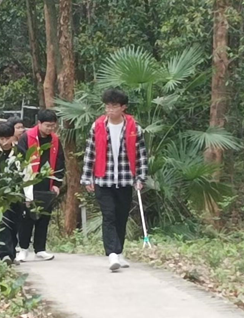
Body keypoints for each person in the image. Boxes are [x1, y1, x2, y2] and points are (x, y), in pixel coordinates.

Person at [81, 88, 148, 272]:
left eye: (114, 106)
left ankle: (119, 252)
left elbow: (141, 155)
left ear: (123, 107)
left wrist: (141, 177)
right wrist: (87, 177)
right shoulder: (98, 126)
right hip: (103, 179)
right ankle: (112, 254)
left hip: (125, 179)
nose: (109, 110)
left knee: (121, 216)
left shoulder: (134, 128)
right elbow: (90, 152)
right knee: (109, 215)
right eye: (107, 106)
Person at [17, 109, 65, 262]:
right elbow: (20, 160)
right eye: (47, 125)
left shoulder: (55, 140)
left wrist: (57, 183)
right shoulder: (27, 137)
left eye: (53, 126)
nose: (50, 129)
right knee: (27, 217)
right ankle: (23, 249)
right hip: (29, 183)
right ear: (39, 123)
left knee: (44, 217)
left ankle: (40, 249)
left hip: (47, 183)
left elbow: (60, 162)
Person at [0, 122, 26, 265]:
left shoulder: (20, 152)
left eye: (7, 138)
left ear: (12, 137)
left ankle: (12, 254)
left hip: (16, 195)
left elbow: (27, 174)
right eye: (1, 138)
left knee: (15, 225)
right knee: (2, 224)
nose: (4, 142)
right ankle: (4, 255)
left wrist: (28, 197)